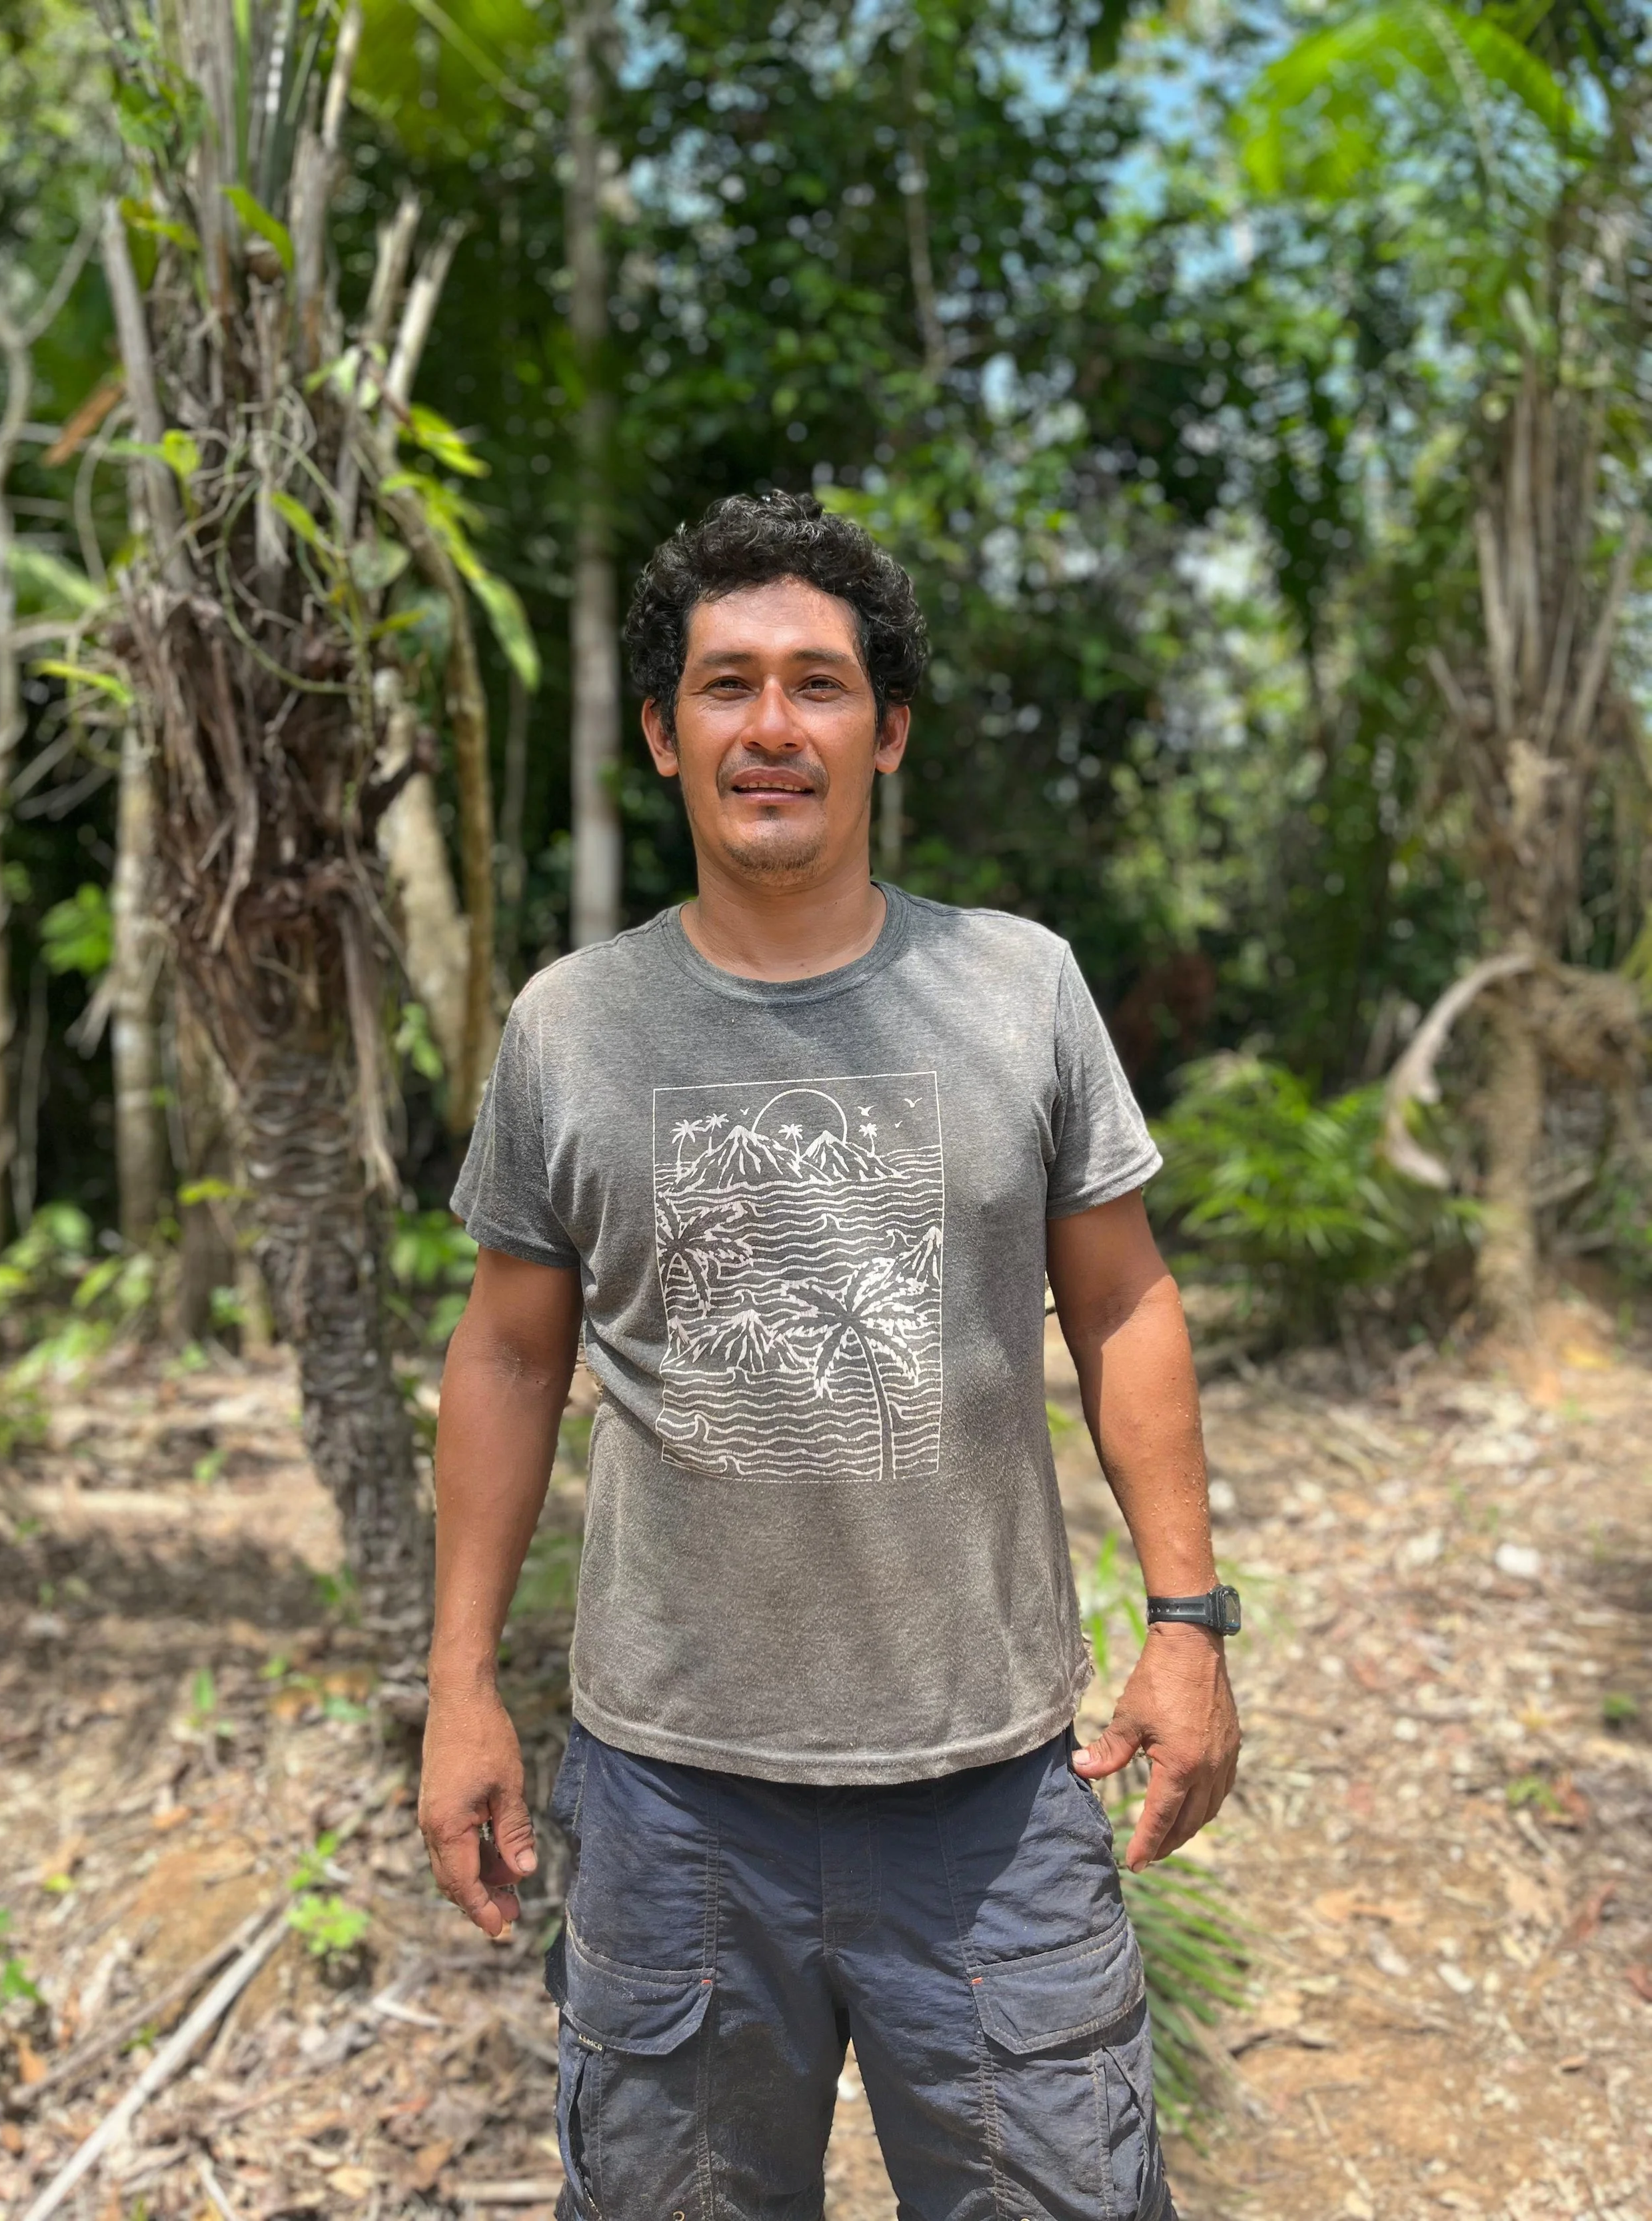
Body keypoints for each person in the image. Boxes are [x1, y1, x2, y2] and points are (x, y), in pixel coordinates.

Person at [419, 490, 1241, 2221]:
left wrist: (1186, 1624)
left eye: (817, 683)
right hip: (668, 1807)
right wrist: (461, 1680)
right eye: (726, 685)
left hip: (990, 1795)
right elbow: (504, 1355)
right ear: (662, 732)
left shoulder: (1016, 989)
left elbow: (1119, 1302)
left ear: (888, 730)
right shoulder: (572, 1024)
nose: (772, 726)